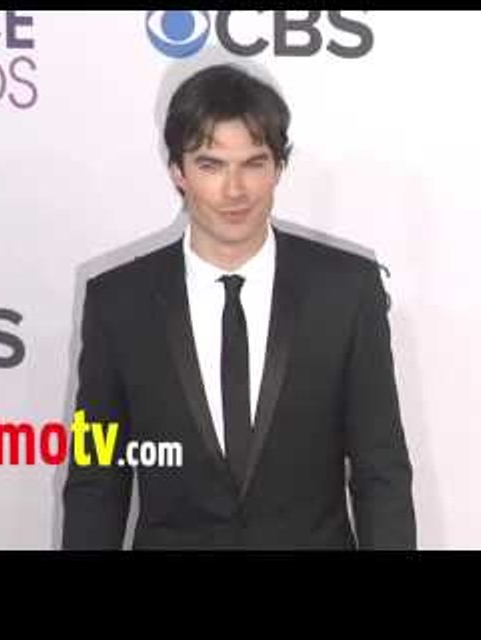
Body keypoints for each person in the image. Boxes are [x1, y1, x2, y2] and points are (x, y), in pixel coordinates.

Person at [61, 63, 415, 549]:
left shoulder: (346, 291)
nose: (235, 190)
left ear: (278, 169)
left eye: (253, 163)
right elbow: (95, 480)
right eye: (211, 165)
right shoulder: (118, 302)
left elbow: (381, 472)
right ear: (178, 172)